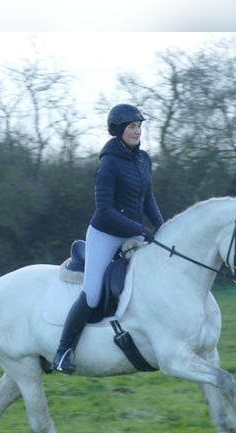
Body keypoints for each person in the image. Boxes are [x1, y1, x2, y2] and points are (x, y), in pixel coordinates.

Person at [53, 103, 164, 374]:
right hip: (105, 234)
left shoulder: (143, 159)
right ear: (118, 130)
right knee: (91, 293)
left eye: (139, 126)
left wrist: (162, 228)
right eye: (132, 127)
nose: (137, 131)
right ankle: (63, 350)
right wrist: (142, 229)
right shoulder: (108, 164)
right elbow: (105, 210)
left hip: (134, 230)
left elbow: (148, 198)